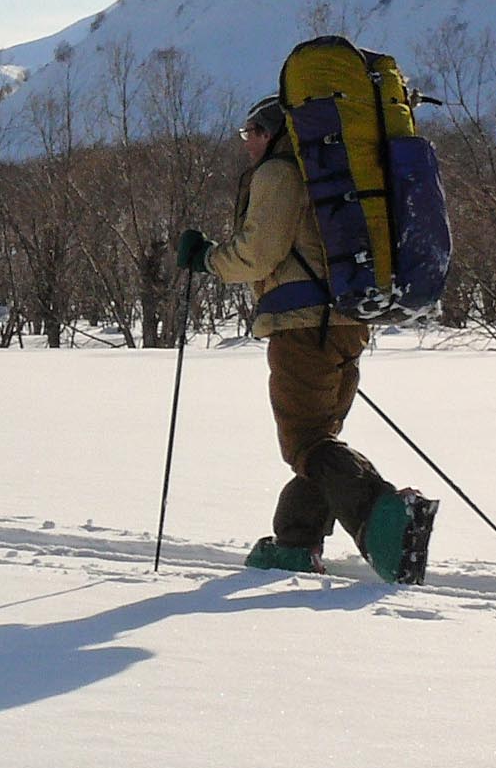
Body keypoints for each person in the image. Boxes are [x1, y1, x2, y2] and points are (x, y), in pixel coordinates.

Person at [178, 94, 438, 582]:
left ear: (271, 131)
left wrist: (207, 258)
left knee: (307, 442)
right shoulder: (327, 176)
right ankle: (295, 543)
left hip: (303, 326)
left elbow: (259, 253)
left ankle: (385, 515)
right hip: (346, 322)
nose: (247, 142)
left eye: (251, 132)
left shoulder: (279, 174)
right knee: (317, 439)